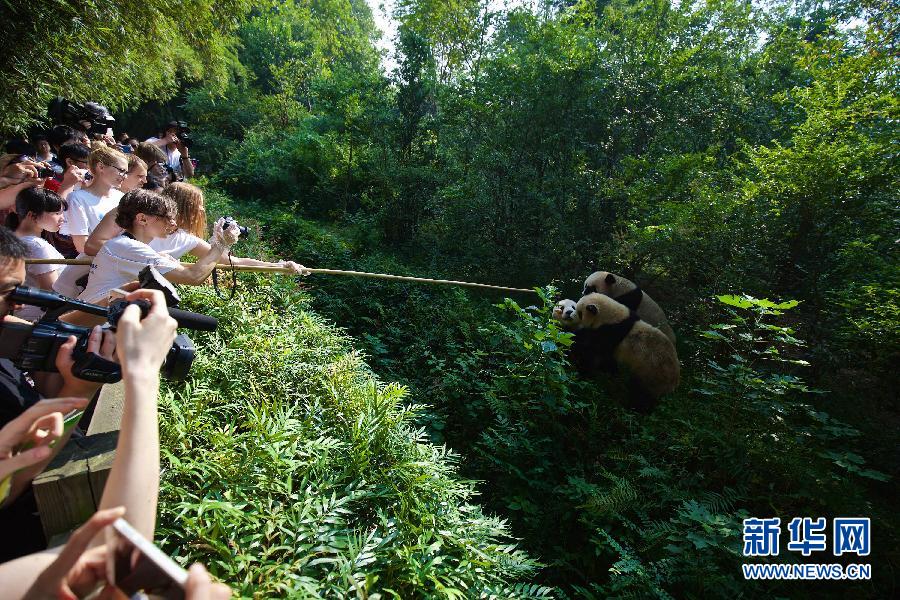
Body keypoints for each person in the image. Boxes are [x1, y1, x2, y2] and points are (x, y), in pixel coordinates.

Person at [0, 289, 231, 598]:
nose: (16, 302)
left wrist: (81, 386)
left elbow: (22, 471)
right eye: (5, 289)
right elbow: (115, 547)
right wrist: (143, 372)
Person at [0, 227, 116, 559]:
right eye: (8, 292)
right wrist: (80, 391)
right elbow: (10, 484)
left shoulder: (6, 338)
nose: (20, 305)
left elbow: (42, 393)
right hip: (29, 536)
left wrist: (71, 367)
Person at [84, 182, 310, 275]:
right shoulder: (130, 212)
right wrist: (150, 258)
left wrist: (279, 266)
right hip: (85, 276)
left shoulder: (184, 238)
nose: (202, 212)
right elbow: (92, 246)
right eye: (199, 207)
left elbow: (231, 261)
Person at [77, 189, 241, 305]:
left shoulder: (125, 245)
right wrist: (220, 244)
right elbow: (192, 277)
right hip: (92, 321)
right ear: (142, 219)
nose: (173, 223)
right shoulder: (129, 248)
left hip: (93, 314)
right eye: (167, 218)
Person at [6, 187, 67, 321]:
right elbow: (52, 292)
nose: (63, 219)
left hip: (23, 315)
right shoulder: (36, 246)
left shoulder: (13, 239)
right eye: (57, 213)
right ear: (32, 215)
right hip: (39, 318)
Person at [64, 146, 127, 254]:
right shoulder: (77, 198)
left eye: (126, 172)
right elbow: (82, 246)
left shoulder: (122, 197)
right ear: (101, 167)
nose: (124, 176)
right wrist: (123, 254)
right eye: (121, 170)